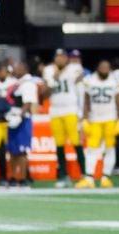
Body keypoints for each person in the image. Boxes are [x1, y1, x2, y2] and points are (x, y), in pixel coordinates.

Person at [42, 49, 86, 188]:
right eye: (58, 57)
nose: (60, 59)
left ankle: (84, 175)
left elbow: (80, 88)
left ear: (66, 58)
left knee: (76, 142)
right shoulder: (49, 70)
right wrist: (54, 78)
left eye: (62, 57)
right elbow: (45, 94)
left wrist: (81, 111)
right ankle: (63, 176)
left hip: (70, 109)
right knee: (59, 145)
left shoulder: (74, 68)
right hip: (55, 110)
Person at [82, 60, 119, 188]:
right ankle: (89, 178)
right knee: (92, 149)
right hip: (94, 119)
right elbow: (86, 100)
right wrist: (85, 118)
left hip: (110, 118)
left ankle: (106, 177)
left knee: (110, 148)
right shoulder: (90, 80)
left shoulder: (115, 80)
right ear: (98, 68)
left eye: (107, 67)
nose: (105, 69)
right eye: (102, 67)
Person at [6, 62, 37, 188]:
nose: (15, 70)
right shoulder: (17, 83)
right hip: (13, 117)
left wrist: (19, 116)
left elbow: (28, 103)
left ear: (24, 69)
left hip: (22, 120)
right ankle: (13, 178)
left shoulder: (28, 84)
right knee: (13, 151)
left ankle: (23, 179)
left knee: (22, 151)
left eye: (18, 68)